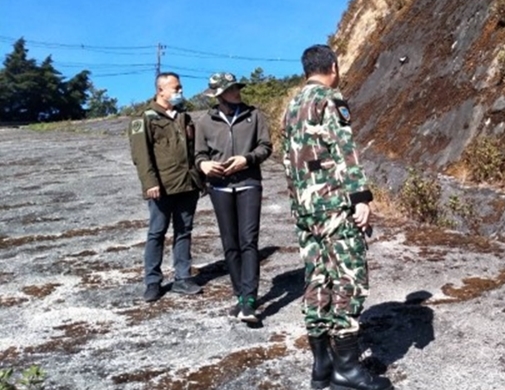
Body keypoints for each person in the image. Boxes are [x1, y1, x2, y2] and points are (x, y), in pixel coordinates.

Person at [282, 44, 393, 390]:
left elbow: (289, 161)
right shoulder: (330, 99)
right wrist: (360, 198)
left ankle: (322, 366)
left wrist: (301, 202)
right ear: (333, 66)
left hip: (306, 207)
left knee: (317, 278)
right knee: (348, 276)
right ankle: (346, 369)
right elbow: (344, 149)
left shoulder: (292, 106)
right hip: (333, 204)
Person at [194, 72, 272, 323]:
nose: (237, 92)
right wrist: (204, 165)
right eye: (231, 89)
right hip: (220, 188)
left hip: (249, 184)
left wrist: (246, 159)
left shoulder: (254, 115)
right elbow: (198, 155)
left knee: (249, 241)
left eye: (237, 87)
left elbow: (266, 147)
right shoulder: (205, 122)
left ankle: (249, 300)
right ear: (218, 95)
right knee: (230, 243)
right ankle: (240, 295)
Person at [128, 71, 203, 303]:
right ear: (161, 90)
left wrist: (201, 180)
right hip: (162, 186)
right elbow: (141, 155)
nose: (180, 92)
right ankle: (152, 281)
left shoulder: (184, 117)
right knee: (157, 233)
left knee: (184, 232)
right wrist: (150, 182)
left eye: (180, 88)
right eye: (176, 88)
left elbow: (193, 150)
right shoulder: (145, 119)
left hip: (187, 184)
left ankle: (182, 277)